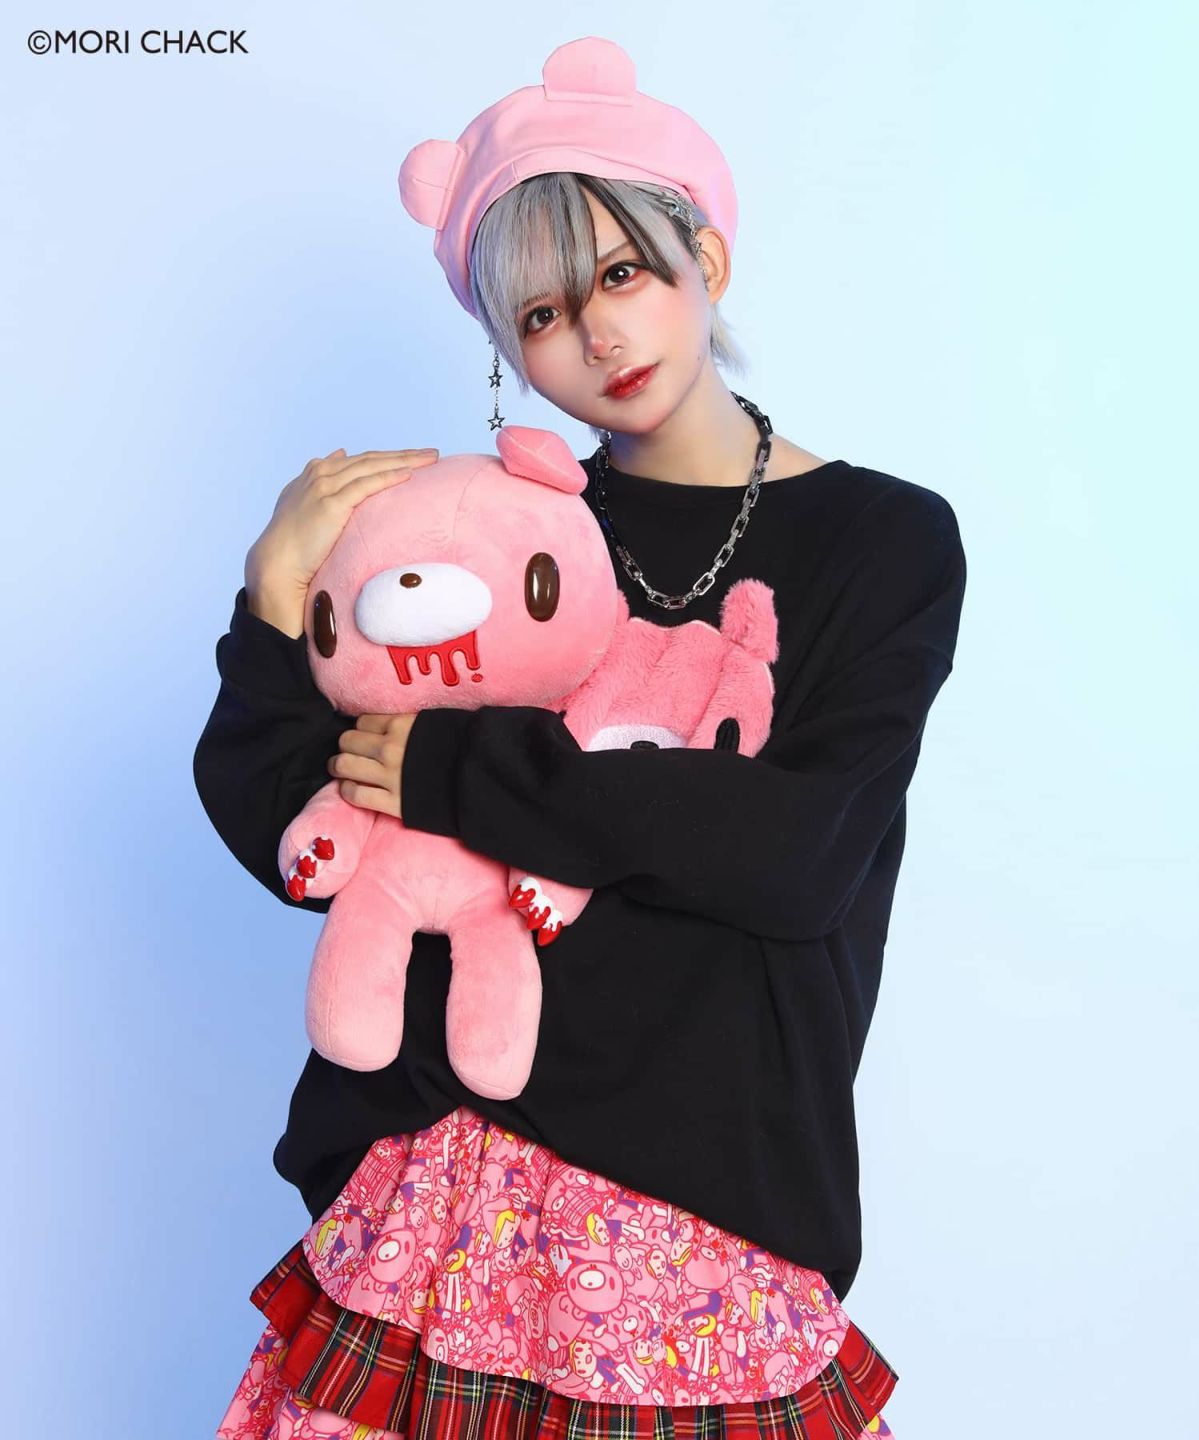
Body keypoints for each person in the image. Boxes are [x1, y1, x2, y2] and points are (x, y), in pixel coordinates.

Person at [198, 36, 966, 1440]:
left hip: (711, 1203)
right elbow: (311, 830)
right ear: (508, 348)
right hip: (452, 1179)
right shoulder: (498, 531)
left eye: (621, 275)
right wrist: (270, 601)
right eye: (545, 312)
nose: (599, 337)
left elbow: (801, 854)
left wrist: (460, 774)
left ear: (703, 260)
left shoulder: (883, 539)